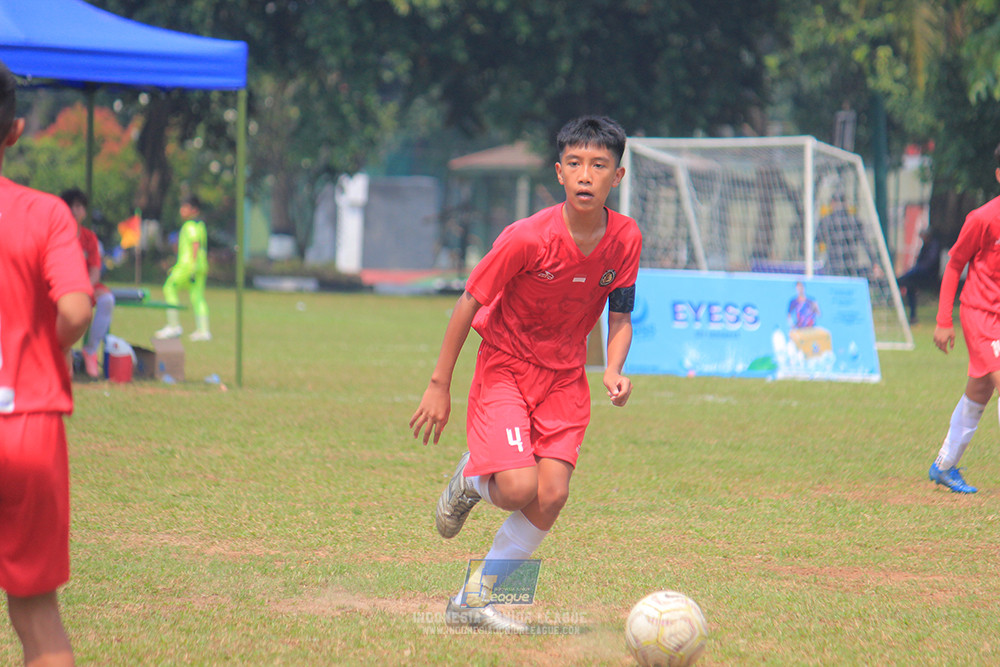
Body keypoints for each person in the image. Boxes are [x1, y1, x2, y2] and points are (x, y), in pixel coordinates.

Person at [409, 116, 642, 632]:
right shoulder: (526, 238)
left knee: (552, 494)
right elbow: (469, 302)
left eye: (599, 166)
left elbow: (620, 314)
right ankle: (470, 479)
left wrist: (615, 369)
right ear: (559, 173)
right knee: (516, 488)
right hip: (506, 369)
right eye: (576, 164)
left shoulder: (626, 239)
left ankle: (471, 601)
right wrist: (438, 384)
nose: (586, 175)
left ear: (617, 178)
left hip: (565, 378)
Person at [0, 60, 93, 667]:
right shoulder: (45, 213)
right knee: (37, 617)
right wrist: (43, 348)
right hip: (27, 421)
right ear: (14, 130)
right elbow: (79, 309)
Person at [929, 141, 1000, 494]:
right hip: (980, 313)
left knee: (980, 392)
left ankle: (944, 465)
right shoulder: (983, 218)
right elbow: (955, 263)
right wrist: (944, 319)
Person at [61, 188, 116, 378]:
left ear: (84, 211)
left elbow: (95, 269)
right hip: (61, 287)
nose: (74, 210)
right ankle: (60, 355)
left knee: (107, 300)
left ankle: (90, 351)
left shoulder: (89, 237)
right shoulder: (56, 234)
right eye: (69, 206)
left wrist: (85, 289)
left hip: (85, 286)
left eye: (78, 206)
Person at [154, 196, 211, 341]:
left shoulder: (190, 226)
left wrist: (191, 266)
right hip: (201, 265)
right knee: (197, 297)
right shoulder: (201, 225)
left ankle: (173, 326)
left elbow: (195, 244)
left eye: (185, 207)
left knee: (169, 288)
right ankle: (203, 330)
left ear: (194, 210)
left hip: (188, 266)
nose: (182, 210)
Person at [816, 190, 877, 277]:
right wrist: (874, 262)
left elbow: (817, 239)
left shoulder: (826, 221)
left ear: (832, 203)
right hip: (850, 267)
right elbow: (866, 243)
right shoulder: (854, 221)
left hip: (832, 267)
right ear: (846, 204)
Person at [896, 226, 941, 324]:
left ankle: (911, 315)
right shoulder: (926, 246)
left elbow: (927, 265)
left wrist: (912, 272)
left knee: (903, 281)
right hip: (920, 275)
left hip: (928, 277)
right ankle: (912, 316)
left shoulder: (933, 247)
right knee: (908, 285)